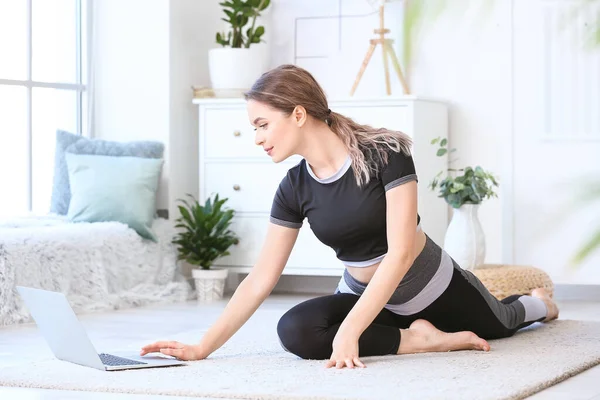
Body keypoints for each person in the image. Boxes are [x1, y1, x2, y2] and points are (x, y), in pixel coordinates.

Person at [140, 64, 559, 369]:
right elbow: (260, 279)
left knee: (504, 322)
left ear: (298, 114)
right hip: (367, 299)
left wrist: (350, 330)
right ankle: (418, 341)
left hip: (432, 288)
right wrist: (202, 347)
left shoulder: (386, 154)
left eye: (262, 124)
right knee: (295, 330)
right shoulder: (293, 187)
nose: (258, 138)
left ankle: (538, 304)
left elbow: (397, 254)